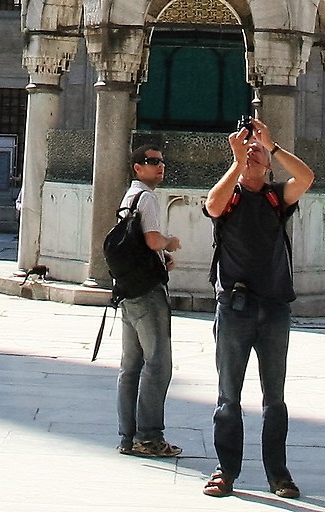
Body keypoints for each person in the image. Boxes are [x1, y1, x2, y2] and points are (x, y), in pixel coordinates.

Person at [202, 117, 313, 500]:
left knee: (274, 399)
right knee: (227, 397)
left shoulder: (276, 197)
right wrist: (236, 163)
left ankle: (278, 475)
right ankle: (226, 471)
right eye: (247, 151)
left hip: (275, 307)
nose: (252, 155)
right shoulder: (230, 196)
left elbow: (307, 178)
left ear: (267, 165)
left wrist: (273, 146)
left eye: (257, 154)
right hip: (234, 308)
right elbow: (212, 206)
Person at [116, 141, 182, 459]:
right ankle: (149, 437)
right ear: (137, 167)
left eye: (161, 161)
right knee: (158, 365)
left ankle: (128, 437)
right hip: (147, 294)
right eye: (152, 161)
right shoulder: (147, 197)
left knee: (130, 367)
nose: (160, 166)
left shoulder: (128, 197)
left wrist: (157, 258)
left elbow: (135, 244)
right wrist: (169, 243)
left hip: (128, 291)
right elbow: (153, 239)